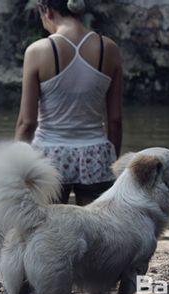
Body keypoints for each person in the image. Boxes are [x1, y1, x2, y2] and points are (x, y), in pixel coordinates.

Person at [14, 0, 122, 205]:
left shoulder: (37, 51)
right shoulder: (110, 49)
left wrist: (14, 171)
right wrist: (112, 163)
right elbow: (115, 120)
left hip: (49, 158)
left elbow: (26, 123)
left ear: (47, 11)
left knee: (49, 232)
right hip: (96, 156)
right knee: (95, 232)